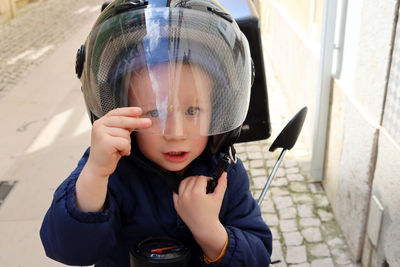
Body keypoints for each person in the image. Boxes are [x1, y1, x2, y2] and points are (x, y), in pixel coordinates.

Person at [40, 0, 272, 266]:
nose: (175, 133)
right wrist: (94, 175)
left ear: (217, 110)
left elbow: (258, 257)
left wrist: (211, 232)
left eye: (193, 111)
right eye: (153, 112)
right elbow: (68, 249)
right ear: (122, 111)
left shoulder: (225, 176)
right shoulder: (111, 170)